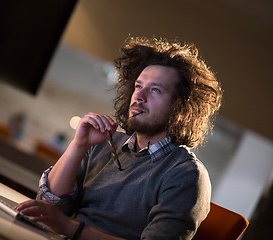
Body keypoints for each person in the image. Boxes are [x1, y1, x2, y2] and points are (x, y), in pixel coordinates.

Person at [15, 37, 222, 240]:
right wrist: (79, 145)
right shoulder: (104, 144)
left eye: (156, 90)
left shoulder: (187, 175)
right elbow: (48, 207)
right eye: (139, 86)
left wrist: (70, 228)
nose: (139, 96)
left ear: (181, 108)